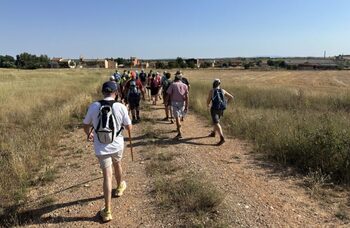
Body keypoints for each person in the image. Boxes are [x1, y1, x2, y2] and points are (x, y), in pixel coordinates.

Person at [83, 81, 132, 222]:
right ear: (116, 93)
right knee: (118, 164)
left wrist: (89, 134)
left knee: (106, 176)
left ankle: (107, 211)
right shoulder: (120, 106)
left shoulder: (94, 106)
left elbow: (85, 125)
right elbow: (129, 127)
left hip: (100, 147)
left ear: (103, 92)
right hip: (116, 145)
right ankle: (119, 187)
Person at [207, 79, 233, 146]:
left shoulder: (212, 91)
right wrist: (226, 104)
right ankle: (213, 133)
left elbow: (208, 100)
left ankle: (222, 138)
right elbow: (231, 97)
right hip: (221, 108)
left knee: (216, 122)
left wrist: (208, 105)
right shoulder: (223, 90)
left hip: (214, 109)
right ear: (219, 84)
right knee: (216, 121)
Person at [166, 74, 189, 139]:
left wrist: (166, 101)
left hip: (174, 103)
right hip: (182, 103)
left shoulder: (173, 85)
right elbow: (187, 96)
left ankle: (179, 133)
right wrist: (187, 105)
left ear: (175, 78)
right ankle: (179, 127)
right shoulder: (185, 85)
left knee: (177, 118)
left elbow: (168, 94)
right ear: (180, 79)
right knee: (179, 116)